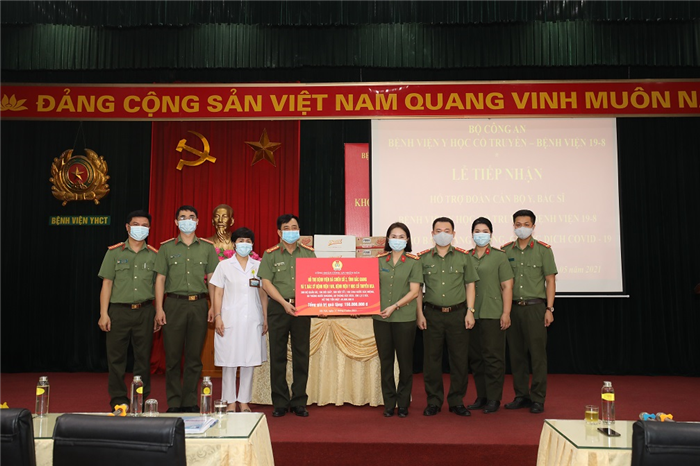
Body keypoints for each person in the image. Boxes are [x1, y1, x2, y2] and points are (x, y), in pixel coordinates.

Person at [154, 205, 219, 413]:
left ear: (198, 221)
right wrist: (159, 309)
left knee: (194, 357)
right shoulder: (166, 248)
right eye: (183, 217)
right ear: (176, 222)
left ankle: (190, 401)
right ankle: (174, 402)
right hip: (173, 304)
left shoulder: (207, 248)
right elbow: (160, 279)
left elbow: (213, 280)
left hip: (199, 305)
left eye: (191, 217)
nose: (187, 220)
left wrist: (213, 306)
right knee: (172, 357)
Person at [417, 217, 479, 417]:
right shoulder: (423, 258)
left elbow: (470, 285)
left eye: (446, 230)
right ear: (432, 234)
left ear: (453, 234)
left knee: (459, 360)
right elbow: (417, 289)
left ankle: (456, 401)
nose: (442, 234)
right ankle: (434, 401)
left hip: (458, 314)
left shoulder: (463, 257)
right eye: (438, 231)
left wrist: (470, 311)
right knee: (431, 360)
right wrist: (420, 313)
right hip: (432, 314)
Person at [98, 210, 158, 411]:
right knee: (116, 358)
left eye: (144, 225)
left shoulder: (154, 255)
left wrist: (158, 312)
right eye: (136, 224)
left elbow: (158, 285)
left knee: (143, 359)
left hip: (145, 311)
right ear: (127, 227)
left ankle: (140, 398)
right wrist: (103, 313)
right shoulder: (114, 253)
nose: (140, 228)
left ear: (149, 229)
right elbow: (107, 284)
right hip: (118, 311)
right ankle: (118, 399)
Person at [258, 214, 316, 417]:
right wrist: (284, 303)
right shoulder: (270, 254)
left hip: (302, 308)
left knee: (301, 355)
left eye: (294, 227)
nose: (291, 231)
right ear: (279, 232)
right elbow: (266, 283)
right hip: (278, 308)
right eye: (286, 228)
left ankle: (299, 401)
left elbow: (317, 280)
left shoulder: (309, 253)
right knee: (278, 355)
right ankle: (280, 402)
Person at [501, 209, 557, 414]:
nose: (522, 228)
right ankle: (521, 396)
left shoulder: (543, 250)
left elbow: (550, 281)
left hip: (535, 308)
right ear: (513, 226)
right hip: (513, 308)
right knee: (516, 355)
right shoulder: (505, 251)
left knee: (537, 355)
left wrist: (549, 308)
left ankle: (538, 398)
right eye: (518, 224)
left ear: (533, 226)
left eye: (526, 224)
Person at [210, 227, 268, 413]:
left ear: (252, 244)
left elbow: (263, 293)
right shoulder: (224, 266)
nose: (244, 244)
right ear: (234, 244)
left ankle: (243, 401)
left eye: (248, 241)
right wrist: (218, 316)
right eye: (241, 241)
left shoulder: (258, 266)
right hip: (229, 319)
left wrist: (265, 317)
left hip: (253, 319)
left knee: (248, 361)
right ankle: (230, 401)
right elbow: (218, 293)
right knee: (229, 361)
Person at [465, 217, 514, 414]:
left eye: (485, 231)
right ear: (472, 234)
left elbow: (507, 286)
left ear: (491, 234)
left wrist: (506, 312)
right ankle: (482, 396)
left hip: (493, 312)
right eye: (477, 231)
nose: (481, 235)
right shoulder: (466, 256)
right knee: (476, 358)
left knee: (493, 358)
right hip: (471, 314)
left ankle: (494, 398)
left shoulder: (499, 257)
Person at [374, 222, 422, 418]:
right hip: (380, 319)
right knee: (386, 362)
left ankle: (402, 403)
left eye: (401, 236)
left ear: (407, 240)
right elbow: (369, 287)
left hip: (404, 318)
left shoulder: (414, 262)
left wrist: (395, 306)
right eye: (393, 236)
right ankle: (388, 403)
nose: (397, 240)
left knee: (405, 363)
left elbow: (414, 292)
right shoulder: (378, 261)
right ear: (387, 239)